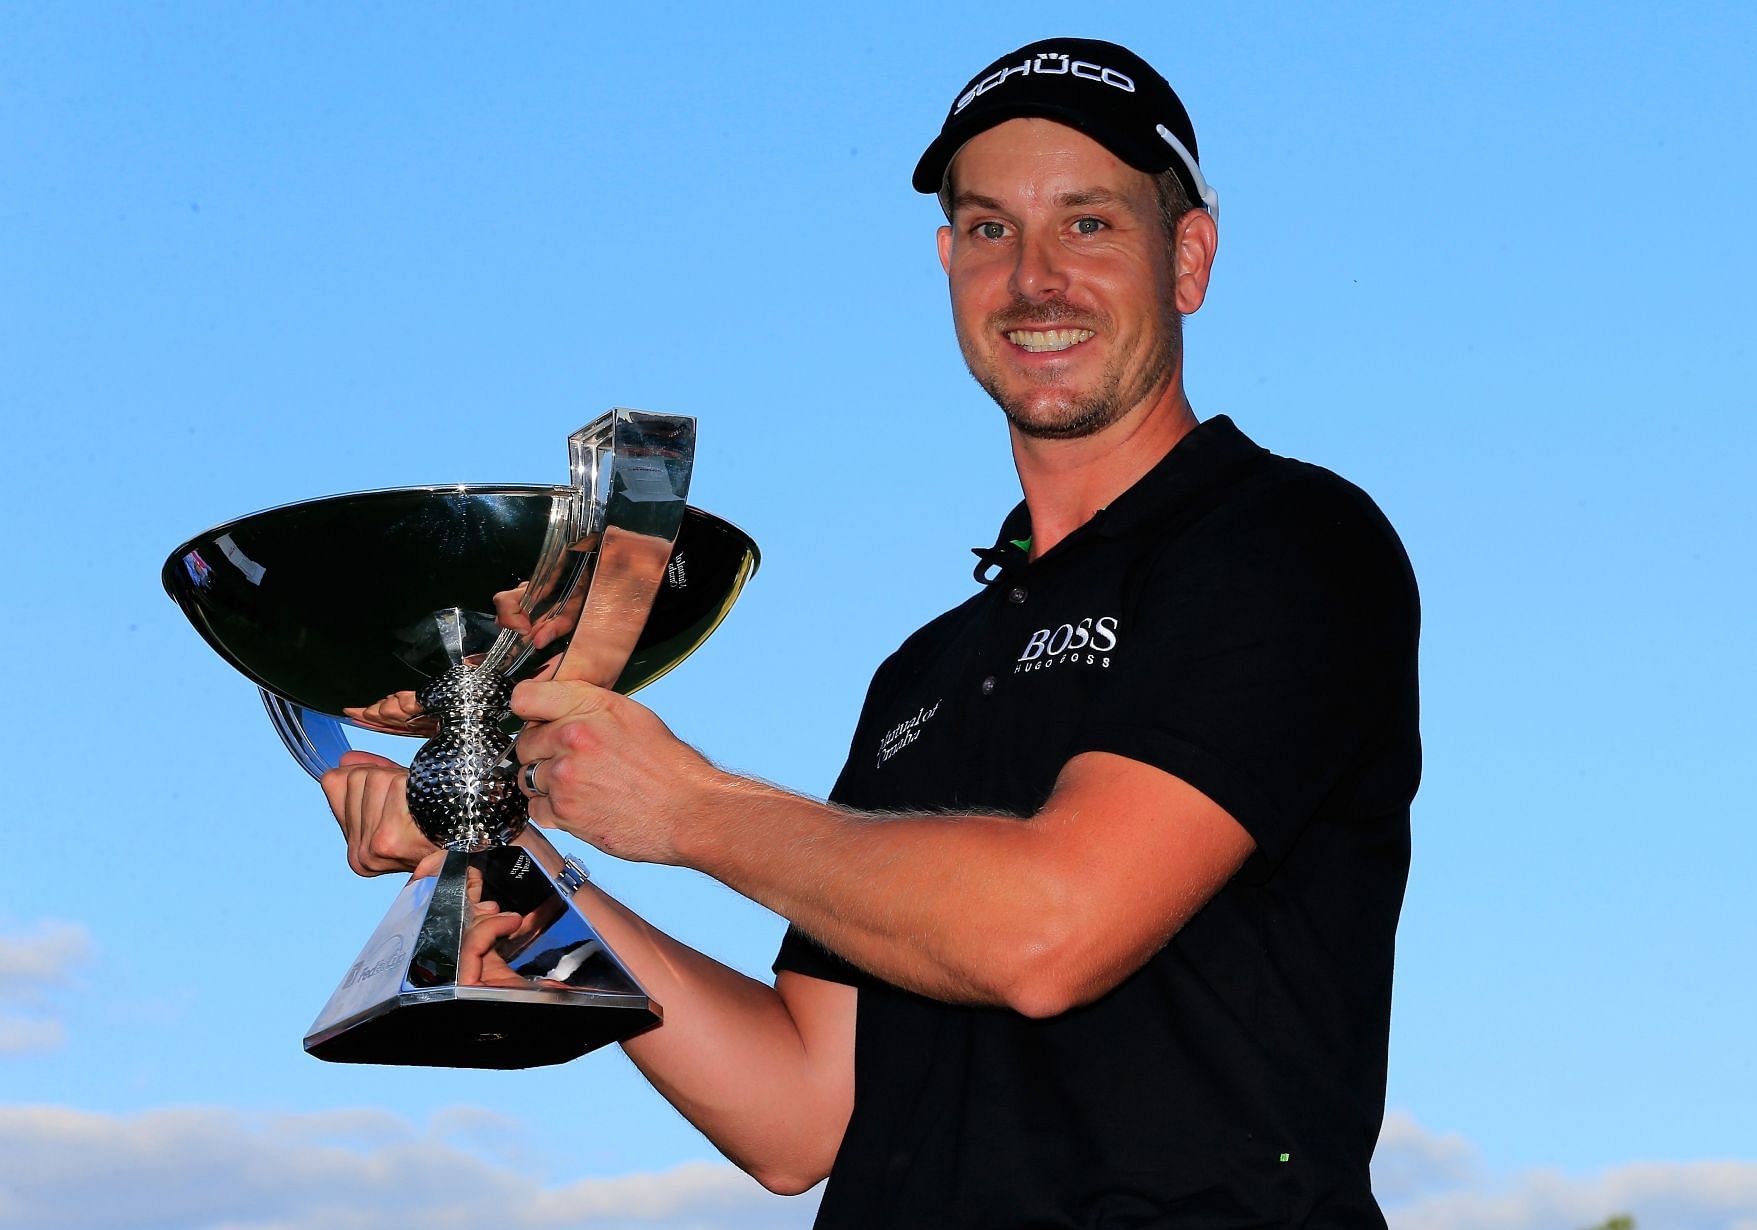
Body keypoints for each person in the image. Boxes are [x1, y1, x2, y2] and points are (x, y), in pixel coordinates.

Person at [325, 37, 1420, 1229]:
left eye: (1091, 224)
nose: (1036, 277)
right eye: (991, 230)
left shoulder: (1287, 541)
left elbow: (1052, 929)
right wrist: (518, 866)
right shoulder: (928, 672)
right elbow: (800, 1114)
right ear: (949, 263)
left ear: (1189, 256)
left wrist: (691, 811)